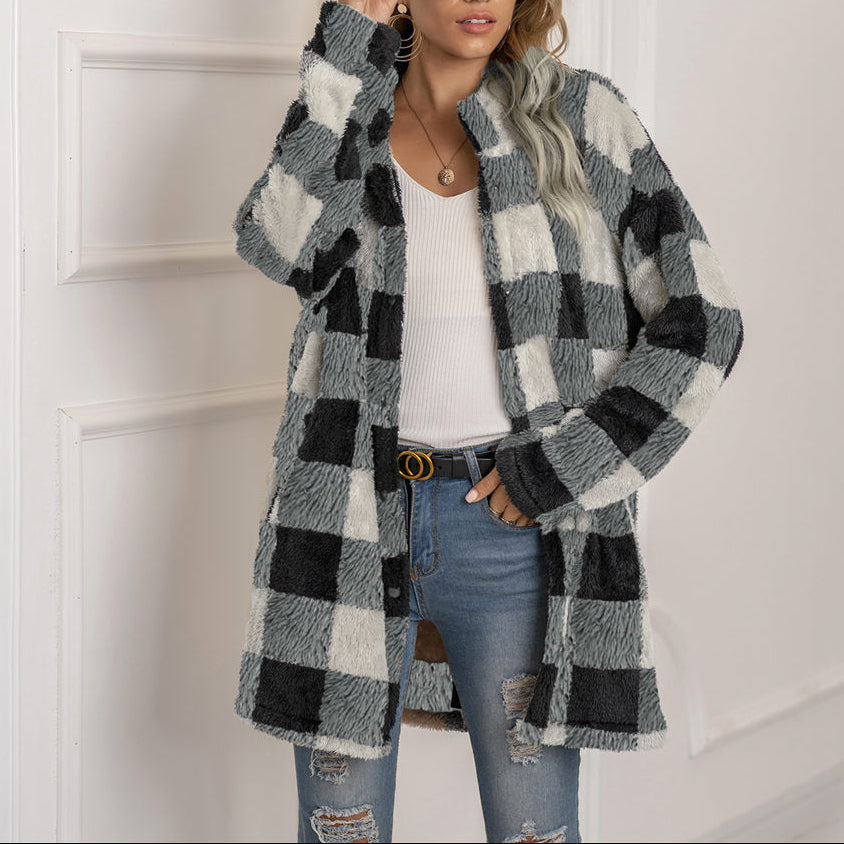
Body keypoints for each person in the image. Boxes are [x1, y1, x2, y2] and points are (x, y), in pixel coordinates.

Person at [231, 1, 744, 842]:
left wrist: (562, 469)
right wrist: (347, 49)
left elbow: (704, 322)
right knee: (338, 829)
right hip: (346, 527)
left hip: (513, 533)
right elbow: (279, 246)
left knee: (533, 828)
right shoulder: (353, 117)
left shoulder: (583, 117)